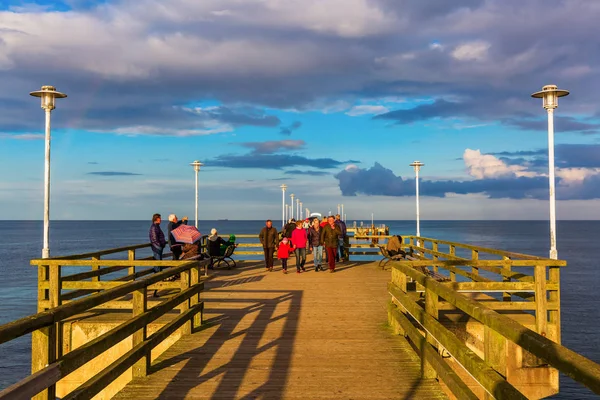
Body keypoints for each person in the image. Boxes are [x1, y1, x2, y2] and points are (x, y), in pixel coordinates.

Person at [149, 213, 166, 297]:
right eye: (160, 218)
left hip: (159, 248)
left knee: (159, 267)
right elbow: (154, 239)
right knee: (157, 267)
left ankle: (157, 288)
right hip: (157, 249)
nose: (161, 220)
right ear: (156, 219)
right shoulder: (154, 227)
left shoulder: (157, 226)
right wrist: (160, 245)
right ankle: (155, 289)